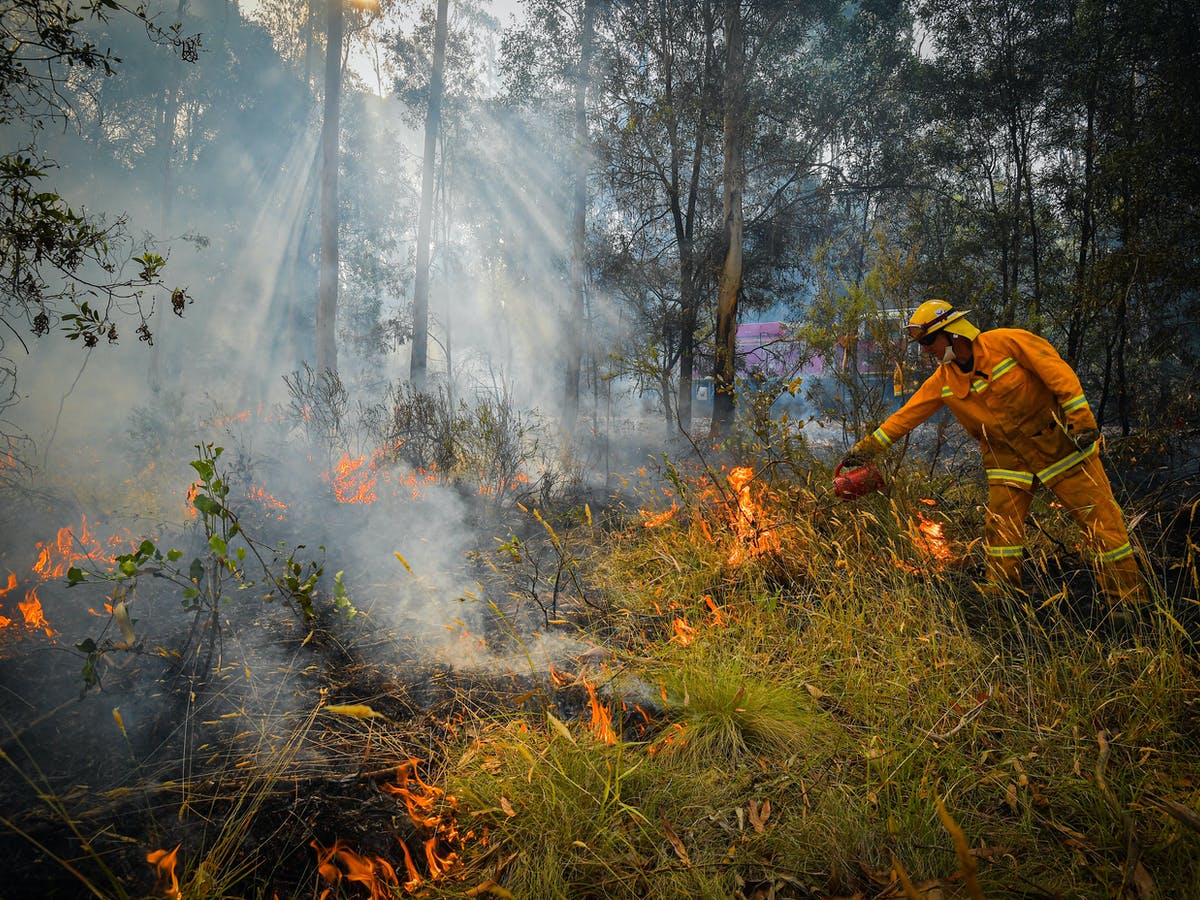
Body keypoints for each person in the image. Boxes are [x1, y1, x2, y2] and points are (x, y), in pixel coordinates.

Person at [840, 299, 1146, 609]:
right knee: (1001, 531)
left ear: (953, 333)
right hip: (1008, 462)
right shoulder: (944, 380)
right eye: (922, 344)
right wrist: (865, 450)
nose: (926, 350)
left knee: (1101, 525)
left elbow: (1059, 375)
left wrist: (1082, 421)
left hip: (1061, 450)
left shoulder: (1008, 343)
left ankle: (1128, 602)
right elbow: (905, 416)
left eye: (929, 340)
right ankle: (1002, 597)